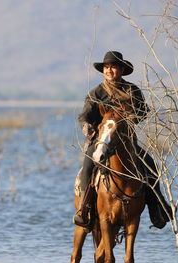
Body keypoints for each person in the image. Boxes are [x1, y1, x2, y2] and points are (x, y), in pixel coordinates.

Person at [73, 51, 172, 229]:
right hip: (101, 142)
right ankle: (83, 207)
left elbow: (144, 111)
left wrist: (135, 116)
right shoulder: (96, 92)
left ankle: (157, 207)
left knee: (149, 164)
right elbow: (84, 115)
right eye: (106, 67)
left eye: (113, 67)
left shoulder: (132, 90)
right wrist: (86, 125)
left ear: (121, 69)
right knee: (88, 164)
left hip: (127, 142)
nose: (109, 70)